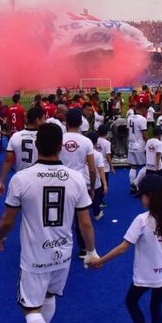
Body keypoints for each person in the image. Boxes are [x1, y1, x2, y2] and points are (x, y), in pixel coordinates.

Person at [0, 123, 98, 323]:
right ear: (61, 146)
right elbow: (85, 223)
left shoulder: (22, 178)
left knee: (30, 307)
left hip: (35, 254)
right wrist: (92, 251)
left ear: (38, 145)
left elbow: (7, 220)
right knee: (50, 295)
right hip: (63, 252)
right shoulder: (75, 179)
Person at [89, 174, 162, 323]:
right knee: (156, 305)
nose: (141, 200)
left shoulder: (142, 220)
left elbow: (123, 248)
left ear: (150, 196)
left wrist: (100, 260)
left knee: (131, 301)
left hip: (147, 274)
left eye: (142, 196)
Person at [60, 109, 96, 258]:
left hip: (61, 180)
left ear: (66, 122)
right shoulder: (86, 141)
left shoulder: (60, 139)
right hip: (80, 182)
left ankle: (60, 245)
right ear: (81, 123)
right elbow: (92, 169)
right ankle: (84, 249)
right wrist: (92, 187)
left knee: (63, 216)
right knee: (82, 217)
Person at [0, 107, 46, 196]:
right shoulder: (44, 136)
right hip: (39, 179)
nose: (45, 121)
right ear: (38, 120)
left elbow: (8, 160)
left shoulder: (15, 136)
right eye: (44, 118)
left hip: (21, 178)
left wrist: (1, 181)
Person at [86, 132, 108, 221]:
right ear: (96, 142)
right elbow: (101, 169)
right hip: (95, 182)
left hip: (83, 181)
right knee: (96, 199)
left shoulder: (82, 152)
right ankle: (97, 214)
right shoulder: (97, 155)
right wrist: (105, 184)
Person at [127, 103, 149, 192]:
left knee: (133, 167)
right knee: (147, 165)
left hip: (131, 144)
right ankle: (135, 183)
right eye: (145, 109)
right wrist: (150, 142)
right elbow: (144, 134)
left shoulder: (129, 118)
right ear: (142, 108)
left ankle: (133, 186)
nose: (146, 111)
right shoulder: (142, 119)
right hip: (139, 145)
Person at [95, 124, 114, 207]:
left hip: (95, 164)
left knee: (97, 182)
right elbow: (108, 155)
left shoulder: (95, 140)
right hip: (104, 166)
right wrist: (111, 166)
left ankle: (95, 199)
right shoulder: (107, 143)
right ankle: (100, 201)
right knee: (103, 183)